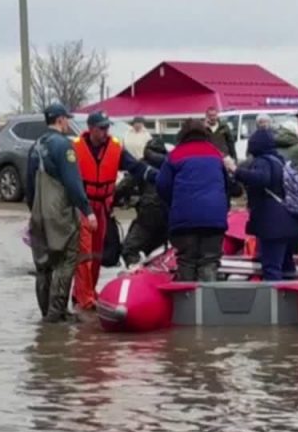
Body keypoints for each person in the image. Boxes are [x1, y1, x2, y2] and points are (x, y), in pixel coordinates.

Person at [72, 111, 152, 311]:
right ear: (90, 129)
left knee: (97, 253)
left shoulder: (115, 148)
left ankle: (87, 291)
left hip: (103, 207)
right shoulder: (75, 148)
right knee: (85, 252)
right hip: (83, 206)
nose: (105, 131)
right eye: (101, 128)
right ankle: (84, 297)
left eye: (107, 127)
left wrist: (154, 175)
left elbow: (135, 167)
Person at [25, 103, 94, 323]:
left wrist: (35, 211)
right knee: (67, 259)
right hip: (60, 213)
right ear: (61, 120)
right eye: (66, 119)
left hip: (38, 213)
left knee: (43, 264)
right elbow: (73, 183)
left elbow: (28, 186)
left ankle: (45, 313)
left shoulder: (36, 146)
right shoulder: (63, 146)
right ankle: (57, 313)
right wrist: (87, 211)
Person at [156, 119, 231, 282]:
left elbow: (162, 185)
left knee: (186, 261)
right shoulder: (215, 153)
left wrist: (174, 203)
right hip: (214, 218)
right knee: (209, 261)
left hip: (184, 219)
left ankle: (187, 302)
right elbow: (227, 186)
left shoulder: (175, 154)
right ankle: (207, 302)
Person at [233, 128, 298, 281]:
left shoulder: (262, 161)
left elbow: (261, 179)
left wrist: (236, 171)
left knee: (271, 267)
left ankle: (274, 303)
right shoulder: (281, 161)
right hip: (292, 221)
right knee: (286, 266)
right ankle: (290, 301)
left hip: (273, 225)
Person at [117, 136, 170, 267]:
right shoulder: (172, 165)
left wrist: (113, 199)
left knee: (130, 249)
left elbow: (124, 186)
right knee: (162, 251)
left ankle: (138, 274)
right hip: (170, 215)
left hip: (148, 214)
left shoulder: (142, 165)